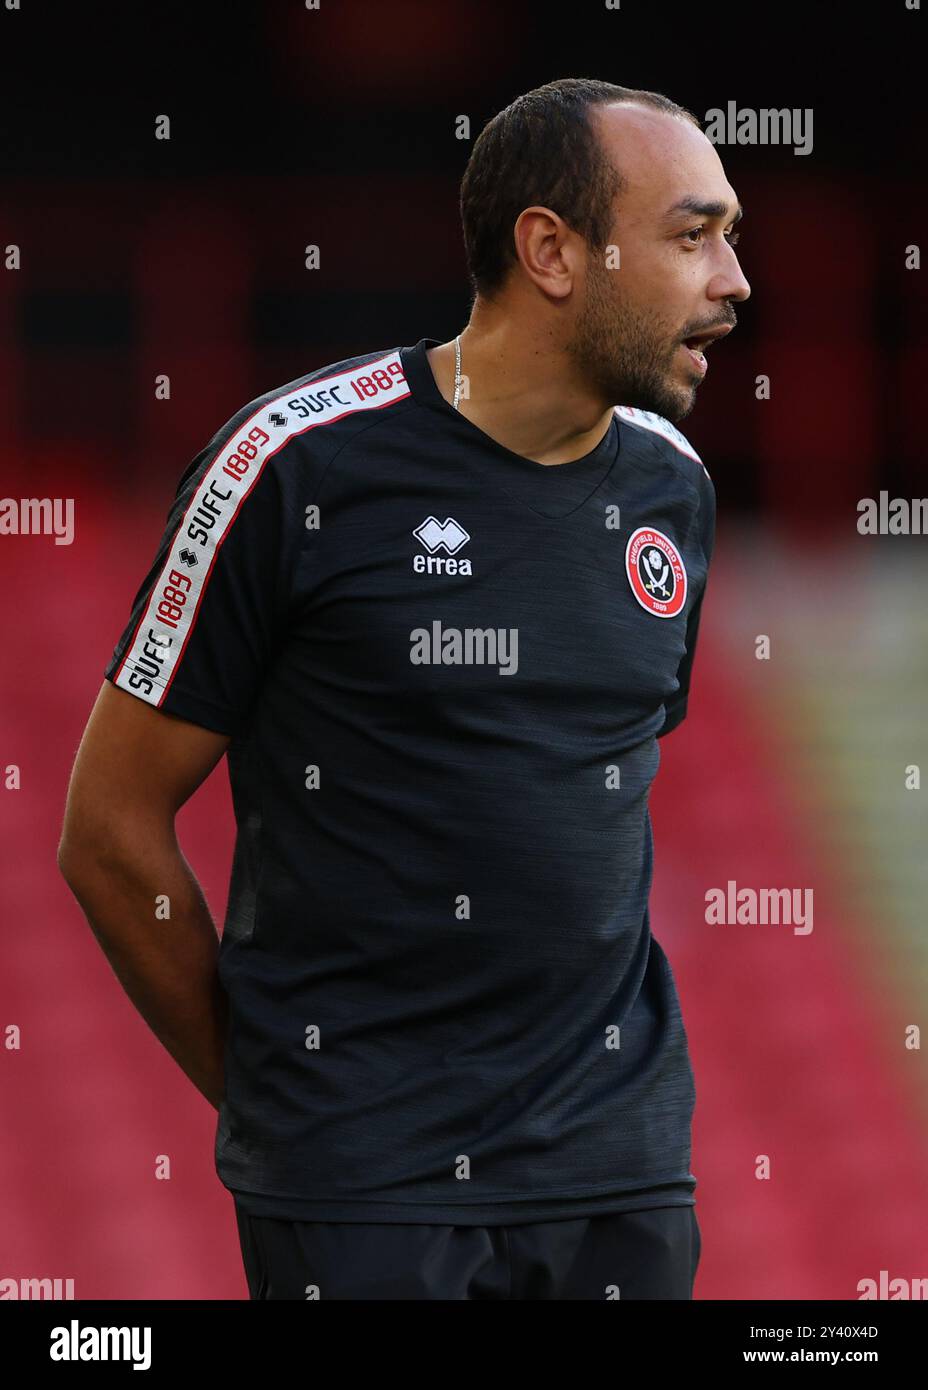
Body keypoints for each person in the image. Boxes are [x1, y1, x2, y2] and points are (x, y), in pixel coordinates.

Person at [58, 77, 750, 1300]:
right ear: (550, 251)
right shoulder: (291, 466)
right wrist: (289, 1094)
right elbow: (107, 830)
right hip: (366, 1190)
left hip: (619, 1177)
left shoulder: (670, 489)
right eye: (691, 236)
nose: (731, 281)